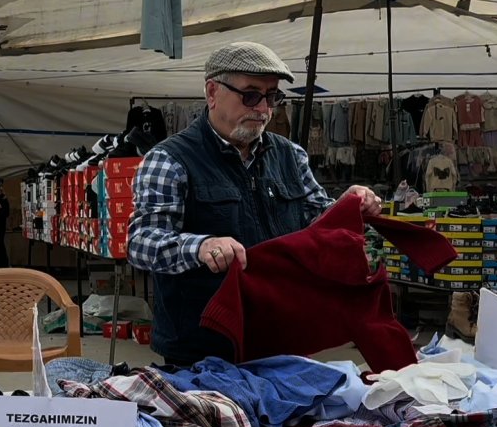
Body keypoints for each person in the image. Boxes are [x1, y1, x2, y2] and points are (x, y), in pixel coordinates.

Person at [127, 42, 382, 367]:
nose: (263, 108)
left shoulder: (290, 155)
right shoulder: (169, 160)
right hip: (201, 353)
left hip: (282, 339)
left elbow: (318, 224)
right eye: (250, 95)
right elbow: (141, 243)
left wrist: (347, 209)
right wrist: (201, 246)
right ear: (212, 92)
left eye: (272, 96)